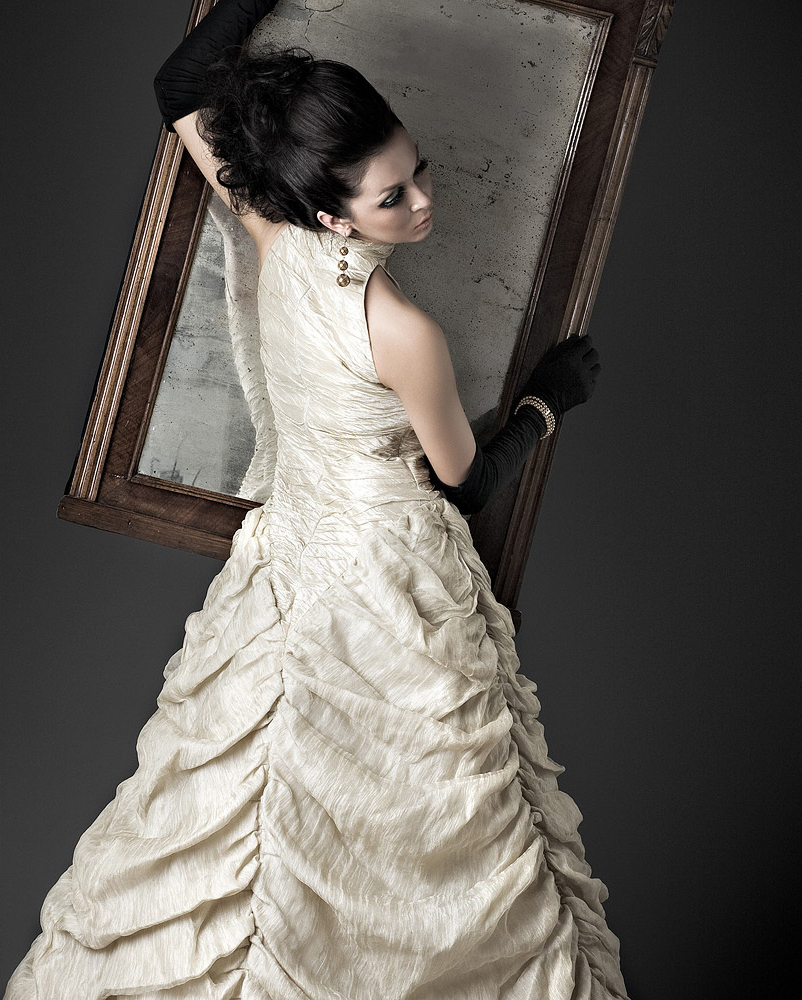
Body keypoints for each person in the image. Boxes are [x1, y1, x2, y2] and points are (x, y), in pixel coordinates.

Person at [5, 2, 625, 997]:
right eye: (392, 196)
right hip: (389, 580)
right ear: (333, 215)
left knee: (280, 812)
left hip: (291, 566)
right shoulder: (402, 329)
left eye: (418, 170)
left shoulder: (274, 236)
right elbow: (466, 481)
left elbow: (179, 84)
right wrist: (548, 401)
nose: (422, 201)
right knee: (418, 836)